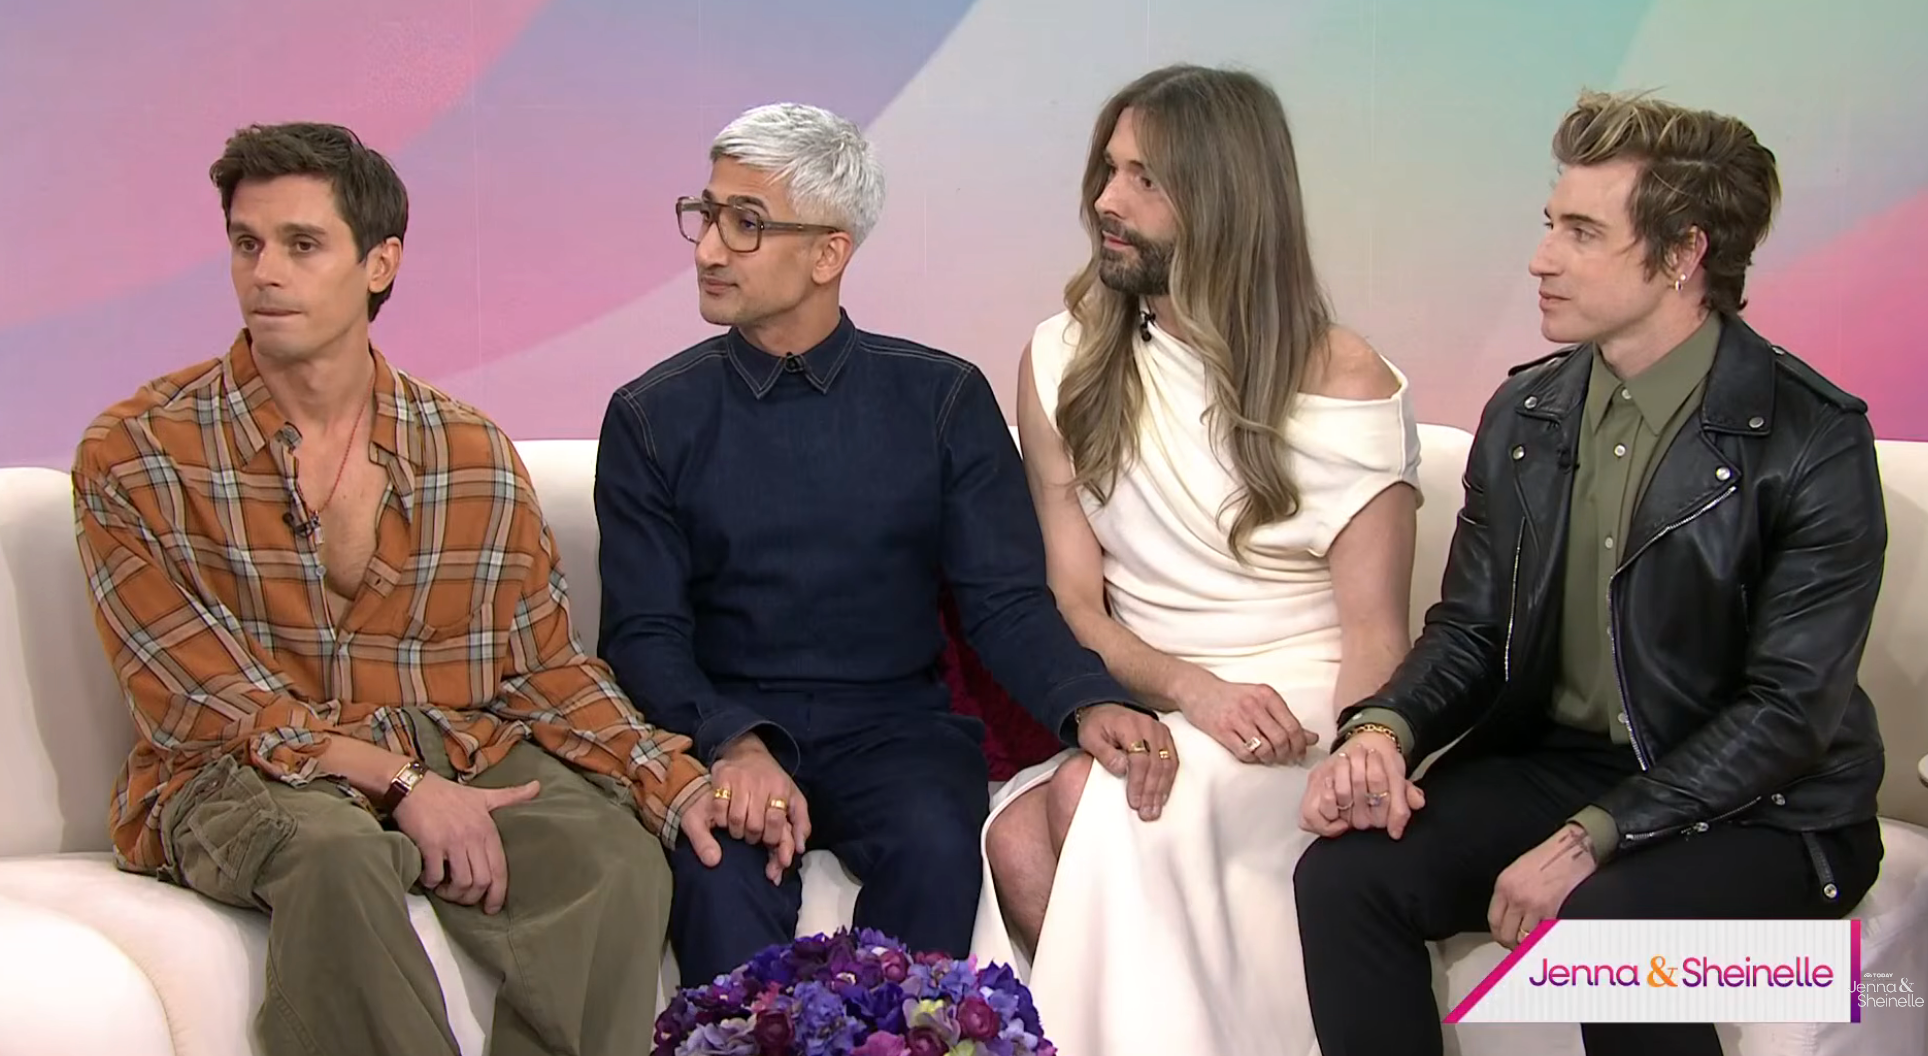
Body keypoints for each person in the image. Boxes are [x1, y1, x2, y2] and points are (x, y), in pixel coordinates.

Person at [72, 122, 732, 1056]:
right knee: (339, 857)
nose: (265, 273)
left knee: (614, 861)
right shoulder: (137, 451)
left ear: (380, 263)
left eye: (302, 245)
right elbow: (201, 705)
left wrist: (667, 779)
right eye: (247, 243)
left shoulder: (468, 451)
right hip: (239, 772)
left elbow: (544, 669)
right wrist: (399, 781)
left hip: (452, 742)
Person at [1293, 90, 1888, 1056]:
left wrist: (1597, 835)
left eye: (1581, 232)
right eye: (1548, 225)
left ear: (1684, 255)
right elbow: (1473, 631)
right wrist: (1383, 731)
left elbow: (1788, 713)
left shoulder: (1810, 439)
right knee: (1344, 877)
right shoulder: (1528, 414)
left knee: (1610, 935)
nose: (1541, 258)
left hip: (1775, 809)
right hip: (1568, 767)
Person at [591, 102, 1165, 986]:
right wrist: (732, 744)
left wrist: (1088, 701)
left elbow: (1004, 601)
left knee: (937, 847)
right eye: (704, 216)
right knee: (715, 877)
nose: (707, 249)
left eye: (745, 225)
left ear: (829, 253)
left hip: (898, 729)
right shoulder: (650, 417)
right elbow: (642, 633)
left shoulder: (939, 399)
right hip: (730, 723)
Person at [973, 65, 1423, 1056]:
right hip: (1171, 689)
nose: (1105, 201)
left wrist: (1360, 751)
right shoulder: (1060, 359)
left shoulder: (1343, 375)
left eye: (1144, 180)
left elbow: (1374, 636)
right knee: (1011, 837)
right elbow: (1075, 606)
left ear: (1223, 198)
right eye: (1106, 170)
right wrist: (1187, 688)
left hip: (1301, 701)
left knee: (1082, 801)